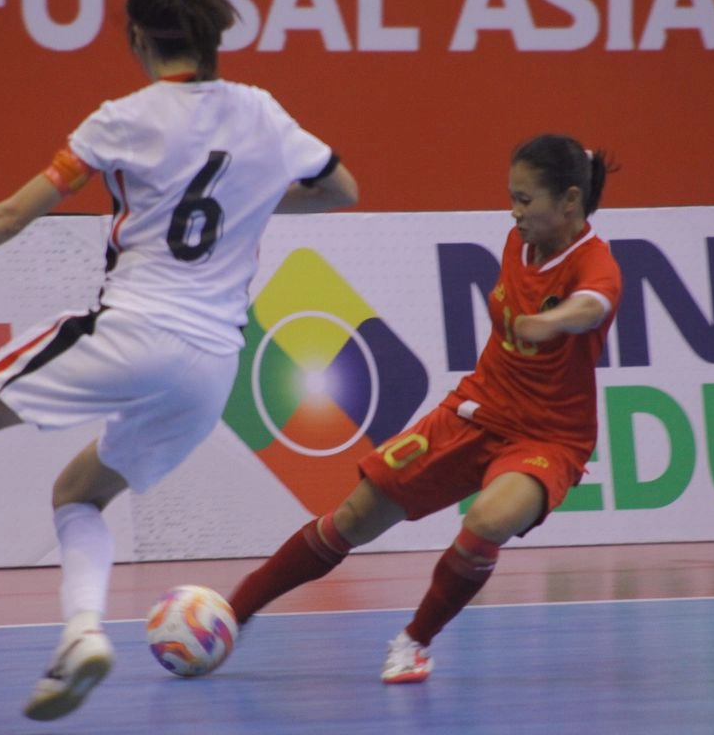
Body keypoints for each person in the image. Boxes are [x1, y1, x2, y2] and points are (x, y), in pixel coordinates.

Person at [0, 0, 357, 722]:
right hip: (213, 367)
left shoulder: (122, 117)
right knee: (79, 496)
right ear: (213, 39)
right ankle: (82, 633)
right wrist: (253, 205)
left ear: (136, 35)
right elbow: (343, 189)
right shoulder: (264, 113)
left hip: (135, 327)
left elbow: (15, 215)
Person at [224, 133, 621, 684]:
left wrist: (551, 322)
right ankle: (232, 613)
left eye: (526, 200)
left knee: (486, 521)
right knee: (352, 520)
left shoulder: (595, 263)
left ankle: (414, 642)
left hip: (548, 438)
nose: (515, 210)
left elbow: (591, 305)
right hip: (476, 410)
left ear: (570, 201)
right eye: (512, 196)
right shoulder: (519, 241)